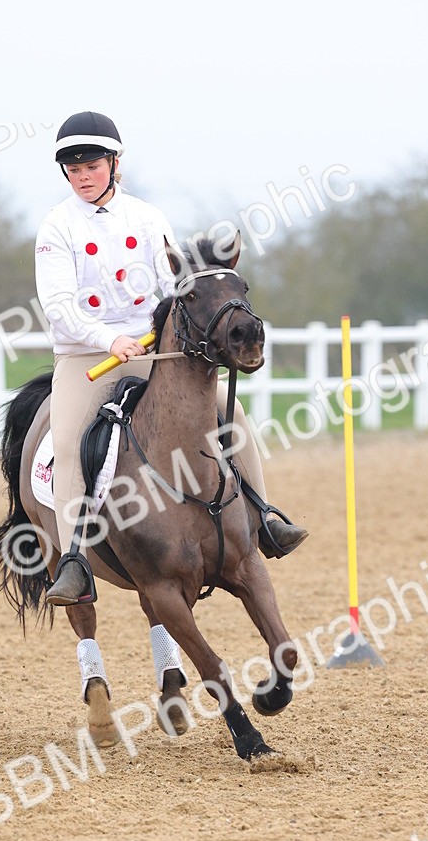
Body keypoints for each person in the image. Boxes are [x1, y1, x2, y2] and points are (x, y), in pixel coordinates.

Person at [35, 110, 306, 607]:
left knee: (232, 412)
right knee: (71, 442)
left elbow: (172, 289)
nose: (82, 175)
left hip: (152, 352)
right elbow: (58, 307)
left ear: (115, 163)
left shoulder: (148, 217)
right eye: (73, 168)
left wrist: (162, 336)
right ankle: (75, 559)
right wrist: (108, 340)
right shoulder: (56, 227)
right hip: (87, 359)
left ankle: (264, 517)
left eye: (92, 164)